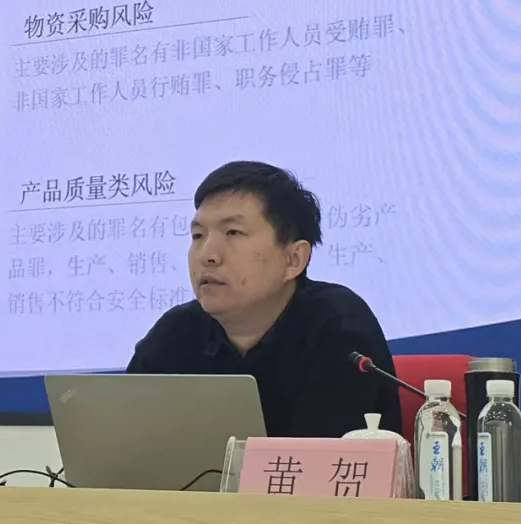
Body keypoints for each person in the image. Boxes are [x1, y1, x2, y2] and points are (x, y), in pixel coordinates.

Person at [127, 161, 402, 438]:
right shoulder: (176, 333)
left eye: (233, 232)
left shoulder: (339, 327)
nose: (207, 255)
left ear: (293, 259)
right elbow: (124, 438)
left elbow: (327, 459)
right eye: (198, 235)